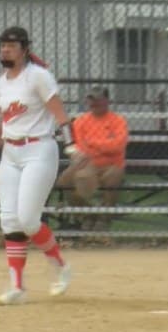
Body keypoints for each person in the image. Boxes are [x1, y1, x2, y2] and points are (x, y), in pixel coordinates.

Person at [0, 27, 78, 305]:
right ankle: (17, 287)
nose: (5, 50)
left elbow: (60, 114)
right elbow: (8, 120)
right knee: (9, 219)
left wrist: (71, 144)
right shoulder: (1, 84)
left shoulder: (38, 77)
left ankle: (60, 266)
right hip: (11, 153)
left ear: (24, 50)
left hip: (39, 150)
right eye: (2, 45)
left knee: (29, 220)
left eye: (11, 45)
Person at [55, 87, 129, 231]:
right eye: (91, 100)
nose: (94, 103)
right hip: (86, 164)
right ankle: (88, 215)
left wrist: (92, 143)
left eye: (98, 99)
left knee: (113, 179)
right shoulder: (81, 121)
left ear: (107, 101)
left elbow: (118, 146)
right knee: (65, 182)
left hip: (112, 164)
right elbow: (79, 147)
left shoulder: (118, 121)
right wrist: (104, 144)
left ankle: (104, 219)